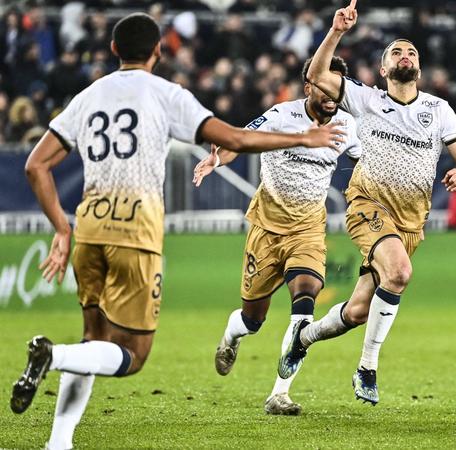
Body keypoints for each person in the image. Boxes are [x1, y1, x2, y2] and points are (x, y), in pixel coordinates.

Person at [10, 13, 344, 449]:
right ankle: (53, 356)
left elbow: (36, 164)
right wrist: (302, 139)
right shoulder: (167, 94)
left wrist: (60, 228)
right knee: (132, 355)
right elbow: (235, 139)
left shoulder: (88, 94)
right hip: (136, 230)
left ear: (113, 51)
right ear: (158, 51)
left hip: (89, 228)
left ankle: (59, 442)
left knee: (94, 337)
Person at [276, 0, 456, 405]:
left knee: (355, 313)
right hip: (368, 206)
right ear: (384, 69)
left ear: (418, 68)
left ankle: (305, 336)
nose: (405, 56)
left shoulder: (439, 111)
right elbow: (317, 75)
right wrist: (336, 32)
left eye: (412, 53)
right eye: (396, 53)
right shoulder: (367, 100)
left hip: (409, 224)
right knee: (400, 273)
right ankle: (367, 368)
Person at [192, 56, 360, 416]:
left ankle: (279, 393)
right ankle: (230, 336)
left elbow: (366, 162)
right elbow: (243, 140)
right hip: (266, 228)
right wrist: (217, 160)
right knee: (252, 320)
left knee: (306, 296)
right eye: (325, 86)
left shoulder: (348, 124)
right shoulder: (282, 115)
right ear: (308, 87)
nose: (332, 94)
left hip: (308, 228)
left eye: (337, 87)